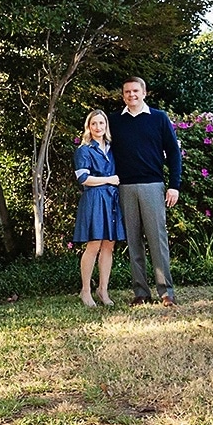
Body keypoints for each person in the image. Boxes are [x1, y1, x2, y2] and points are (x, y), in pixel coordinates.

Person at [108, 77, 182, 307]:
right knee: (133, 242)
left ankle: (166, 292)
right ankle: (141, 292)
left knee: (157, 240)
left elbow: (174, 152)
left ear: (144, 93)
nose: (131, 95)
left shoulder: (159, 118)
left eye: (135, 91)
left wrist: (174, 185)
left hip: (153, 186)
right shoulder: (114, 121)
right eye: (127, 92)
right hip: (125, 187)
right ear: (123, 95)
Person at [72, 109, 124, 307]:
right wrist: (108, 180)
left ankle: (103, 290)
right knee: (93, 245)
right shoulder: (84, 150)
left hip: (111, 200)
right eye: (94, 123)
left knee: (109, 245)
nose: (98, 127)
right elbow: (83, 178)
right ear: (88, 126)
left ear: (106, 126)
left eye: (101, 123)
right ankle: (85, 291)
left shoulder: (111, 148)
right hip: (94, 199)